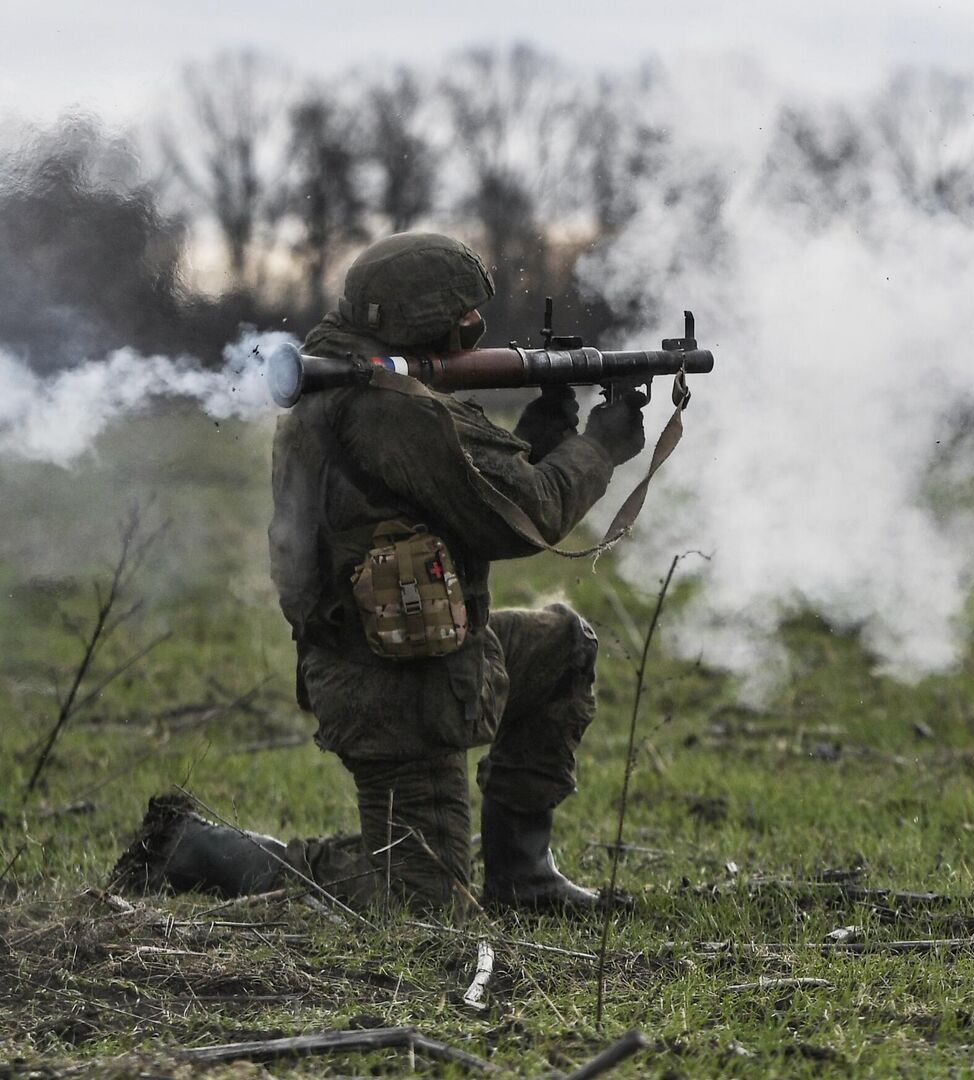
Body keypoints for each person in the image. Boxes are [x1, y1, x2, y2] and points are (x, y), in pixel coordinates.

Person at [112, 232, 649, 912]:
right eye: (462, 321)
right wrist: (600, 448)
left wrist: (548, 428)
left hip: (432, 660)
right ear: (419, 322)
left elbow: (463, 496)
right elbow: (524, 513)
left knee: (562, 648)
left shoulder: (352, 377)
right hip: (394, 694)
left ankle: (523, 875)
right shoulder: (387, 406)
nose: (474, 331)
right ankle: (197, 849)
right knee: (420, 899)